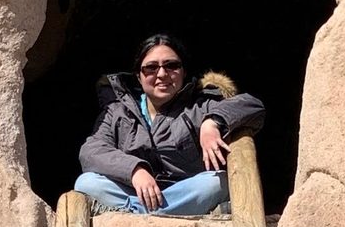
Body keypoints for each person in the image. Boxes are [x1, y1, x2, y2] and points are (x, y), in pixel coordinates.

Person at [73, 33, 265, 217]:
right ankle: (162, 213)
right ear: (139, 76)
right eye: (151, 68)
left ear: (184, 72)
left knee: (217, 182)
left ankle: (134, 214)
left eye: (171, 65)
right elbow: (91, 151)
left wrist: (212, 122)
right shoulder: (117, 111)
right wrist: (134, 171)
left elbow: (252, 105)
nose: (162, 74)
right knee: (86, 182)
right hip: (135, 191)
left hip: (183, 192)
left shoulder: (199, 106)